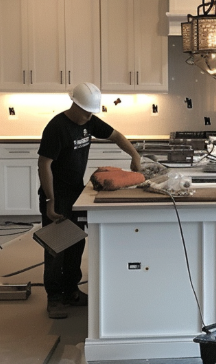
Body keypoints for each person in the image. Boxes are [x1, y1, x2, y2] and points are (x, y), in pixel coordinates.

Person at [37, 82, 142, 319]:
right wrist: (50, 200)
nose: (88, 116)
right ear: (74, 103)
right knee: (56, 249)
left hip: (76, 192)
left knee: (75, 244)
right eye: (85, 111)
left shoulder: (89, 122)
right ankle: (54, 297)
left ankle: (71, 291)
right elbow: (44, 164)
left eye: (91, 112)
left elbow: (116, 136)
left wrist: (134, 155)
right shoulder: (57, 127)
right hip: (56, 194)